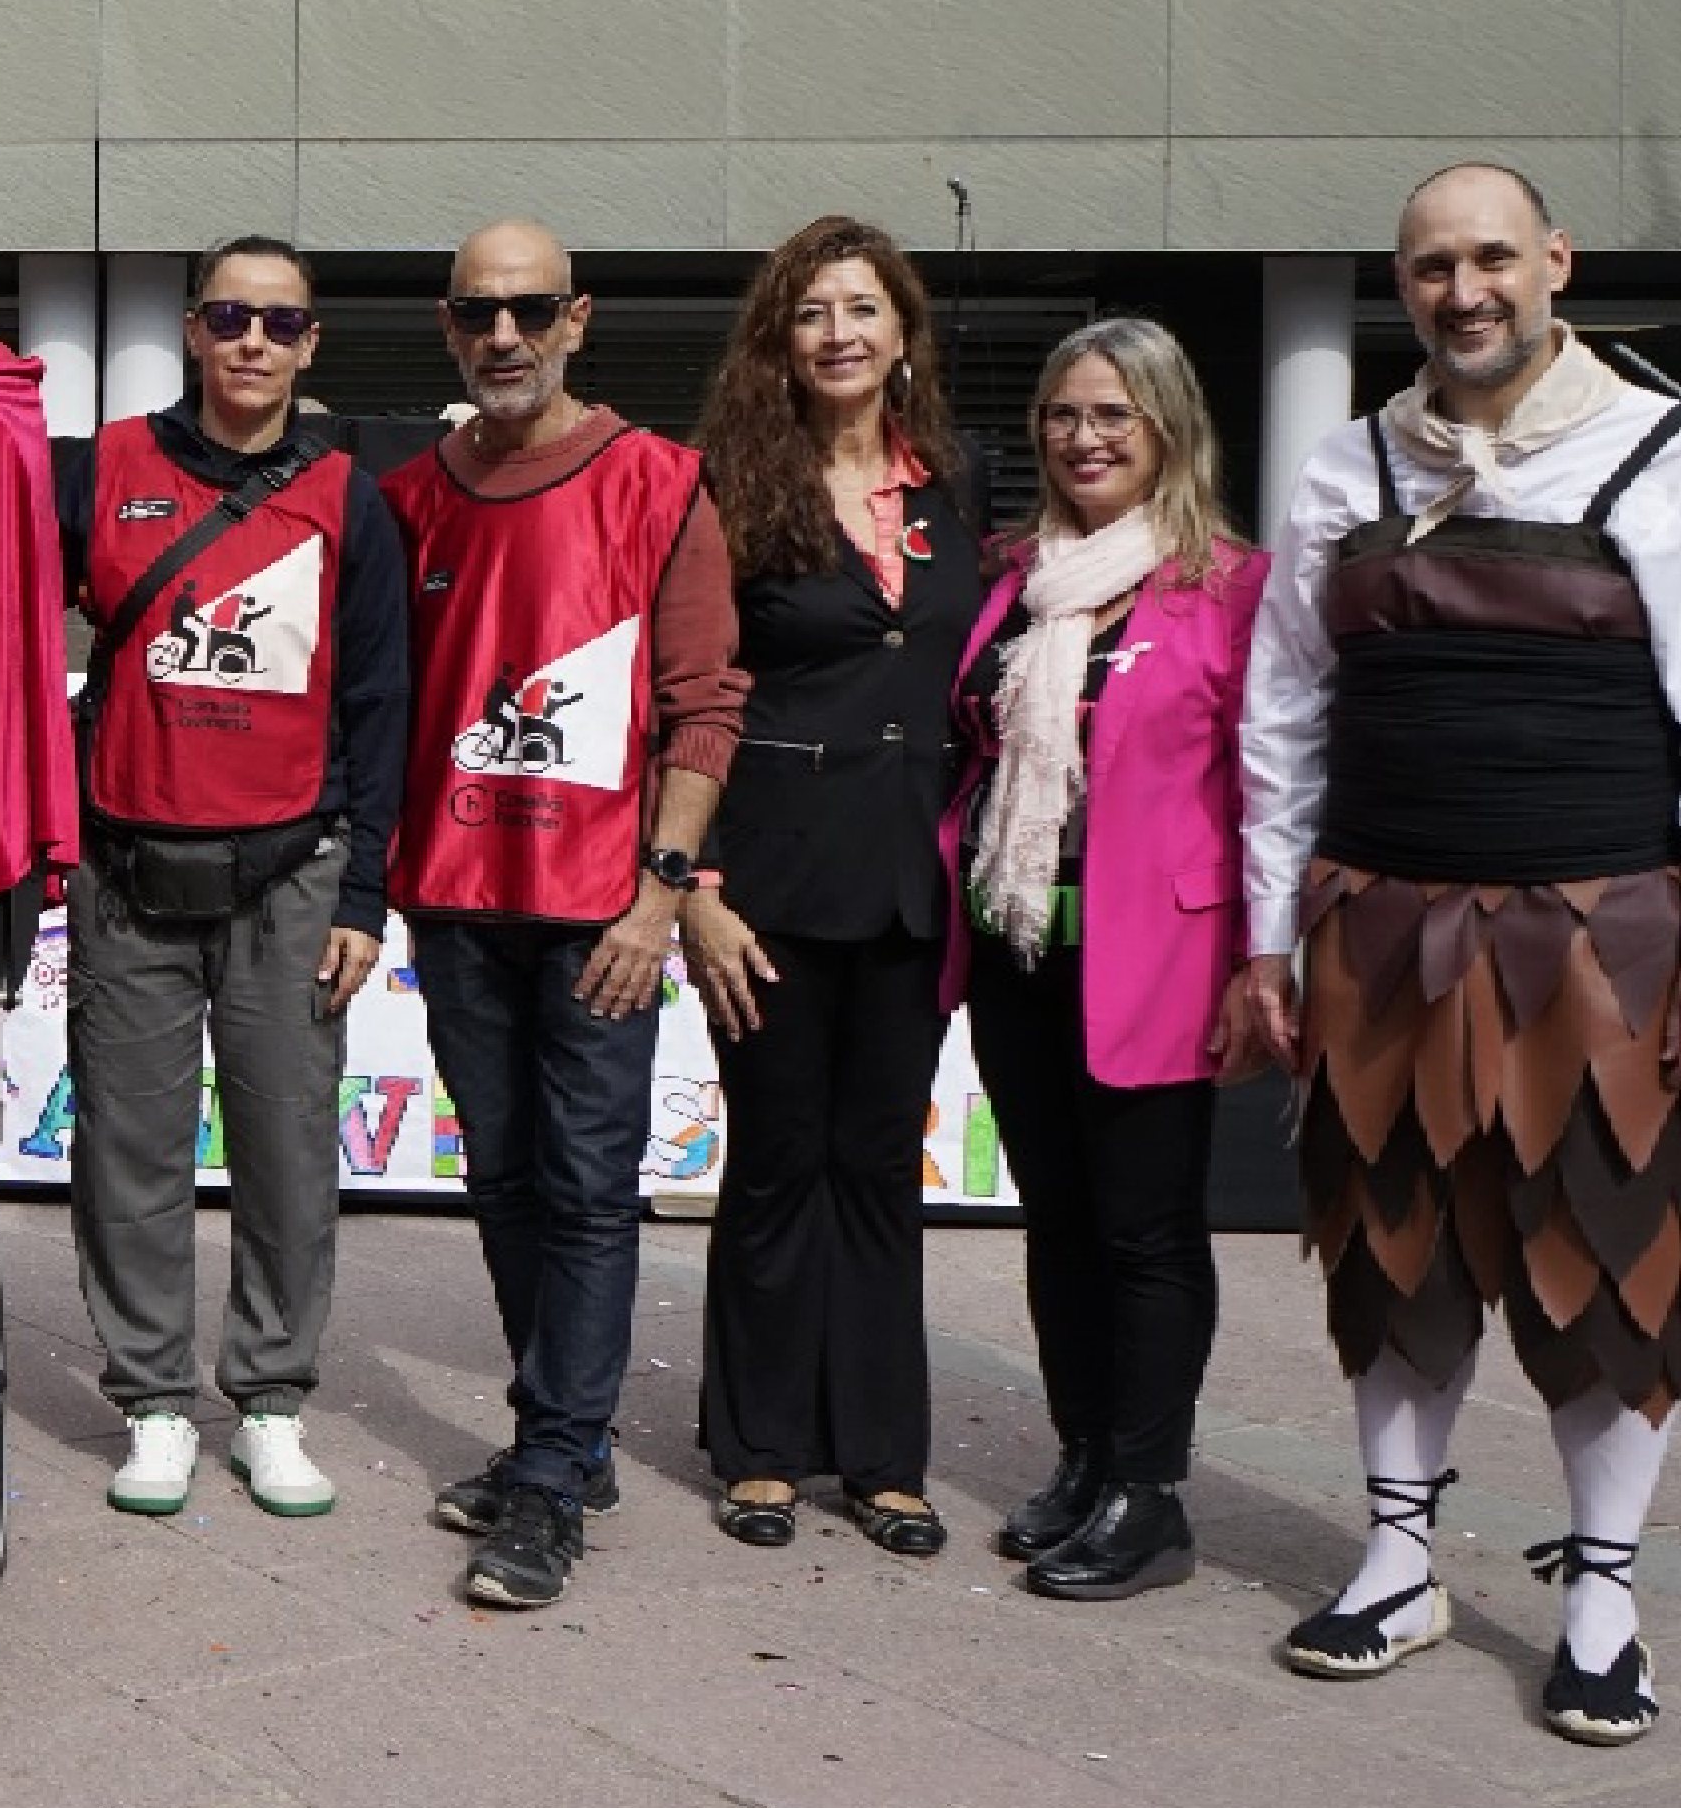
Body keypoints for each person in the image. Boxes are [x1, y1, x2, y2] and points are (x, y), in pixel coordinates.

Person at [1235, 163, 1681, 1746]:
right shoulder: (1344, 464)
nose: (1464, 291)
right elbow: (1283, 714)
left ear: (1556, 262)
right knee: (1392, 1250)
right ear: (1402, 284)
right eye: (1432, 266)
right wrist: (1266, 936)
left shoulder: (1659, 451)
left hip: (1601, 933)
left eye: (1492, 257)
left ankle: (1604, 1599)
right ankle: (1398, 1563)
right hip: (1378, 927)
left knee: (1606, 1260)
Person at [382, 222, 747, 1608]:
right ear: (447, 325)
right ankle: (568, 1437)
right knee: (506, 1179)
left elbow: (705, 708)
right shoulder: (412, 497)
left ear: (579, 319)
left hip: (604, 911)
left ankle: (548, 1475)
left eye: (531, 309)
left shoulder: (661, 482)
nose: (505, 335)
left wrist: (662, 895)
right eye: (480, 311)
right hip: (457, 903)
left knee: (588, 1189)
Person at [52, 234, 412, 1518]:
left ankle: (269, 1402)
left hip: (291, 880)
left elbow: (381, 703)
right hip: (127, 874)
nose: (254, 341)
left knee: (287, 1157)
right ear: (194, 331)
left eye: (281, 322)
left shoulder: (349, 497)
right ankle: (154, 1402)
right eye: (230, 317)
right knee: (128, 1155)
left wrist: (364, 894)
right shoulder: (103, 470)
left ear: (312, 344)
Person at [943, 321, 1267, 1605]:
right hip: (1022, 945)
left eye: (1114, 415)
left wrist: (1261, 961)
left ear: (1169, 428)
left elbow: (1267, 787)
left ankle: (1150, 1492)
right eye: (1065, 414)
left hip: (1163, 956)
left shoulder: (1230, 586)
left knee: (1146, 1230)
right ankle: (1084, 1459)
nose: (1085, 438)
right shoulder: (1013, 576)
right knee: (1060, 1220)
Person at [680, 216, 975, 1558]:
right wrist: (697, 885)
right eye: (813, 312)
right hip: (772, 882)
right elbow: (691, 692)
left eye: (863, 308)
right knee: (777, 1159)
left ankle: (881, 1456)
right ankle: (760, 1448)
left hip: (914, 880)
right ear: (779, 343)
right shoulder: (730, 489)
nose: (840, 332)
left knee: (878, 1165)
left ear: (902, 332)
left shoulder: (951, 485)